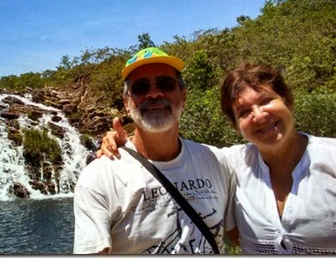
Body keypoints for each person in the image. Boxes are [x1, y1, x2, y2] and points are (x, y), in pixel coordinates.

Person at [98, 62, 336, 254]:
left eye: (266, 101)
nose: (259, 116)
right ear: (236, 125)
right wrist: (123, 144)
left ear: (288, 101)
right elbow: (163, 150)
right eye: (243, 111)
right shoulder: (230, 162)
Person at [73, 47, 236, 254]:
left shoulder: (217, 160)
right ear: (126, 104)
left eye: (166, 84)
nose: (154, 93)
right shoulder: (98, 177)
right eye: (140, 88)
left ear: (183, 97)